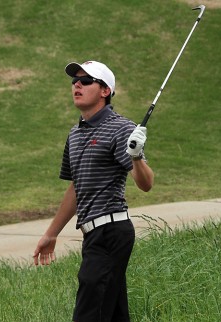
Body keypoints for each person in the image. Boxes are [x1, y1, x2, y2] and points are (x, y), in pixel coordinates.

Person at [33, 60, 154, 322]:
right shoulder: (75, 134)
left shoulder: (121, 128)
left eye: (86, 81)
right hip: (92, 233)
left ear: (104, 91)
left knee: (89, 311)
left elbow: (146, 184)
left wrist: (136, 157)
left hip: (111, 232)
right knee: (113, 312)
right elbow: (77, 187)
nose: (77, 84)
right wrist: (51, 234)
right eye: (74, 81)